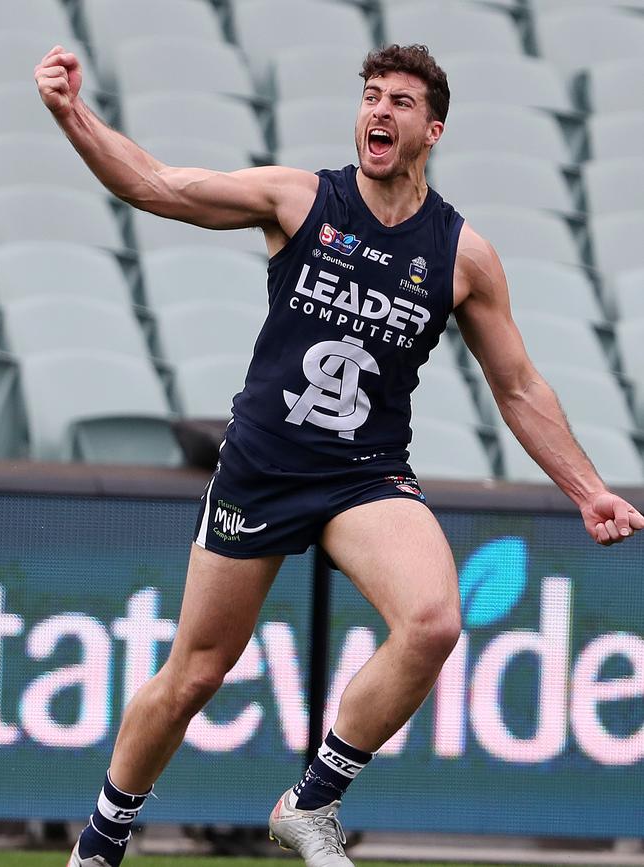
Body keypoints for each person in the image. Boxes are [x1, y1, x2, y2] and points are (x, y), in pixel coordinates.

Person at [35, 41, 643, 867]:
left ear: (433, 128)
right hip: (263, 465)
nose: (378, 112)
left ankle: (311, 801)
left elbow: (520, 388)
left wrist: (587, 490)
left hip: (365, 474)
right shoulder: (300, 199)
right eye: (370, 96)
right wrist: (74, 116)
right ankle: (99, 845)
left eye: (399, 101)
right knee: (196, 671)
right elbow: (158, 185)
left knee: (433, 619)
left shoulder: (462, 255)